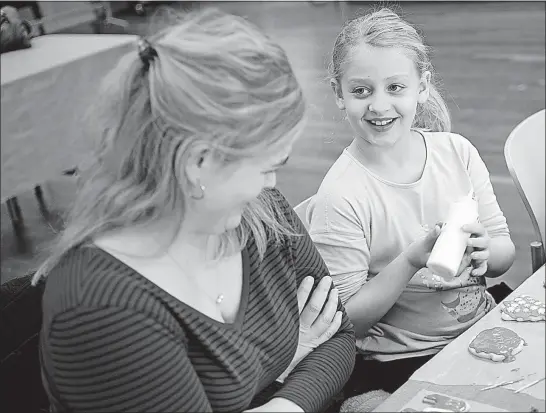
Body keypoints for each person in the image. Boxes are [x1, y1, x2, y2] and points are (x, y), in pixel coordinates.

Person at [32, 8, 355, 412]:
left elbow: (339, 337)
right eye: (267, 166)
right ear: (198, 162)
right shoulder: (102, 306)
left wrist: (284, 391)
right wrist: (291, 361)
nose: (273, 183)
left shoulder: (258, 212)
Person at [307, 7, 515, 396]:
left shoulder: (457, 152)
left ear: (422, 87)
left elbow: (504, 255)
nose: (379, 105)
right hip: (402, 359)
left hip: (480, 329)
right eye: (361, 90)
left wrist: (488, 250)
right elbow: (346, 321)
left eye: (395, 87)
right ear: (339, 94)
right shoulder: (342, 195)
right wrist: (410, 261)